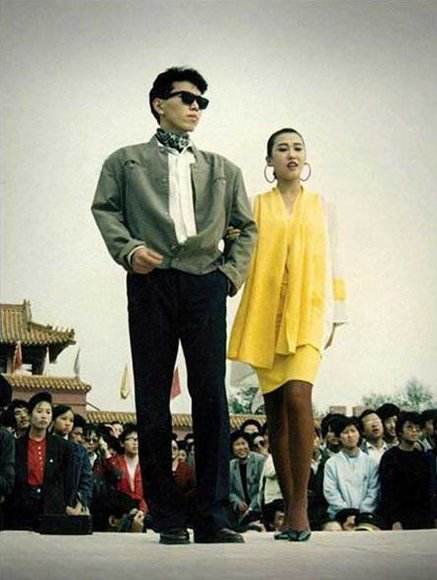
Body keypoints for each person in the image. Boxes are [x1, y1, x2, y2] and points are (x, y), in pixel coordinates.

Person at [92, 66, 256, 544]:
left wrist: (229, 276)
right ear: (158, 104)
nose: (195, 107)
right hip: (151, 281)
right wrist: (128, 250)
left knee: (211, 398)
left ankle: (212, 516)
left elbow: (247, 228)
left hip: (206, 282)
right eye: (186, 98)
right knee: (152, 397)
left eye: (202, 101)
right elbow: (105, 210)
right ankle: (165, 516)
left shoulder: (224, 170)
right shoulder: (125, 162)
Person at [229, 127, 347, 541]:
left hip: (310, 311)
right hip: (266, 314)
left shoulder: (323, 206)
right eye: (282, 149)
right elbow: (239, 249)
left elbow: (334, 259)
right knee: (275, 411)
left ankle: (300, 509)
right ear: (270, 160)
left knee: (299, 397)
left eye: (298, 147)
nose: (291, 154)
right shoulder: (254, 205)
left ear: (305, 157)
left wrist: (337, 314)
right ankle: (289, 502)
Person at [6, 392, 73, 530]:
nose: (44, 416)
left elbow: (67, 479)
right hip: (21, 507)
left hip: (51, 507)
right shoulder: (16, 445)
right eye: (39, 411)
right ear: (30, 415)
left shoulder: (62, 446)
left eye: (48, 412)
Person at [379, 411, 434, 530]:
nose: (414, 431)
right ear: (400, 431)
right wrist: (394, 520)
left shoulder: (424, 458)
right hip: (400, 518)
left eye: (417, 428)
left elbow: (430, 490)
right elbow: (387, 492)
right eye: (409, 427)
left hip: (424, 518)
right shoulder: (390, 457)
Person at [323, 416, 379, 520]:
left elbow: (373, 491)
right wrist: (346, 513)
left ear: (359, 434)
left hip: (366, 516)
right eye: (345, 432)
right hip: (339, 516)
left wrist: (362, 512)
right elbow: (331, 492)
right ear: (339, 437)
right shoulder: (331, 463)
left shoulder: (371, 463)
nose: (350, 435)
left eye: (353, 431)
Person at [228, 431, 265, 531]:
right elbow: (230, 490)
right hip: (240, 510)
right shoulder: (231, 465)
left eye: (243, 443)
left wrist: (251, 508)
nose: (241, 448)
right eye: (237, 445)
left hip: (258, 507)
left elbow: (262, 487)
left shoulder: (259, 460)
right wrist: (237, 502)